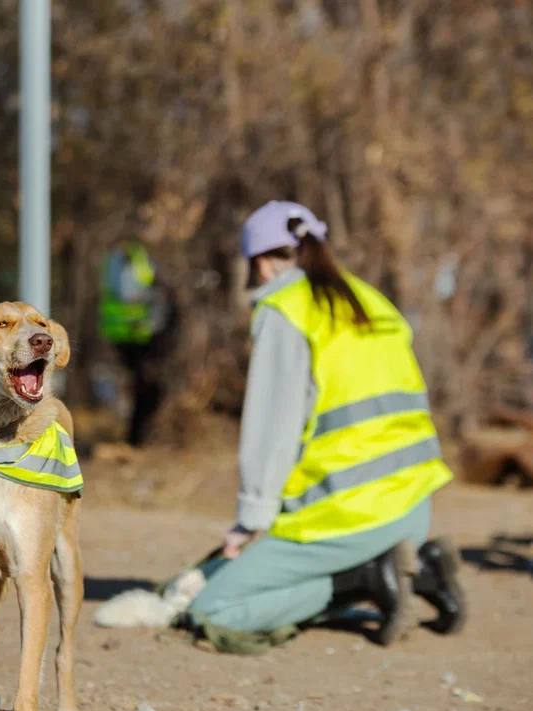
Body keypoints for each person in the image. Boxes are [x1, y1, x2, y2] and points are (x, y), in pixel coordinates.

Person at [186, 200, 466, 652]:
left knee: (211, 609)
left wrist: (251, 522)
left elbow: (271, 433)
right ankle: (416, 567)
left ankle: (366, 578)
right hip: (414, 507)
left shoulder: (286, 311)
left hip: (350, 514)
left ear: (258, 263)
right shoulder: (372, 300)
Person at [97, 240, 174, 445]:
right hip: (136, 338)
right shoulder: (133, 262)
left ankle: (136, 437)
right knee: (142, 387)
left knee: (140, 387)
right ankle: (135, 438)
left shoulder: (114, 262)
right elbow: (131, 296)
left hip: (125, 336)